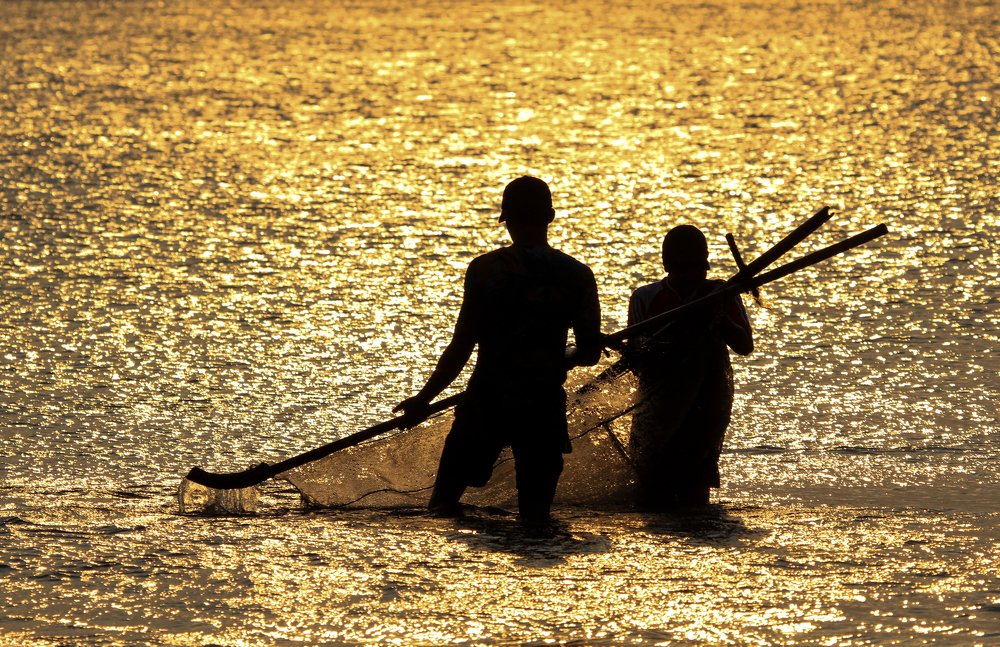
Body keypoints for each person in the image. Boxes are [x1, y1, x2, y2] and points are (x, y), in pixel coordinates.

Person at [393, 176, 603, 524]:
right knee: (536, 519)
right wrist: (560, 357)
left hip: (487, 402)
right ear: (549, 217)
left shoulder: (485, 270)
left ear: (508, 220)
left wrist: (424, 400)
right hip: (542, 407)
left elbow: (462, 345)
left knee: (442, 507)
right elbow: (589, 353)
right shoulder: (578, 275)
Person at [625, 224, 753, 509]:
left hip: (707, 403)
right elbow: (635, 356)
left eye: (694, 269)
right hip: (658, 403)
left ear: (705, 266)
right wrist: (671, 340)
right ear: (667, 266)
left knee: (697, 482)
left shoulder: (723, 294)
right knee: (650, 487)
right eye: (681, 270)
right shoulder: (645, 297)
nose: (689, 277)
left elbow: (745, 345)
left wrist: (718, 316)